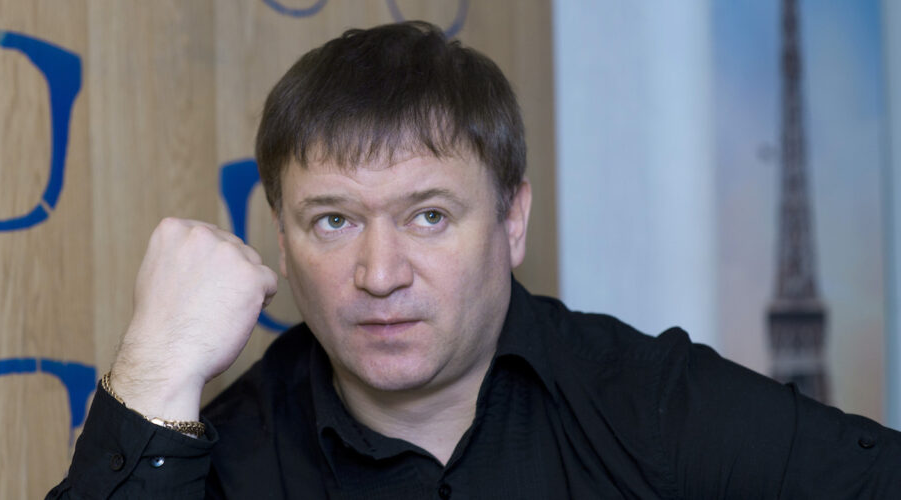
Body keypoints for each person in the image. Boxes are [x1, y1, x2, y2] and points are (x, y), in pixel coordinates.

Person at [48, 21, 900, 499]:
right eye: (334, 221)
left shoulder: (648, 404)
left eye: (428, 216)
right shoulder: (228, 457)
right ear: (281, 238)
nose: (381, 274)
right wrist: (155, 369)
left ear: (512, 219)